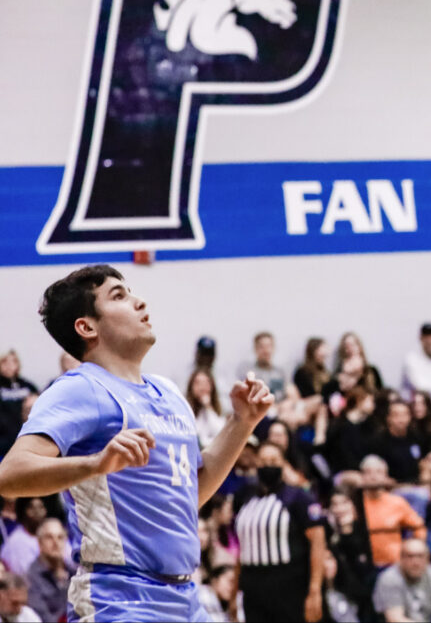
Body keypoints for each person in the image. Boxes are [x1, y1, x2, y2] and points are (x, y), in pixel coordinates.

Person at [0, 265, 272, 621]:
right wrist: (95, 464)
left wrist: (241, 422)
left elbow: (191, 495)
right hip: (120, 598)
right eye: (119, 296)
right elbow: (10, 473)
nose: (139, 302)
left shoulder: (170, 393)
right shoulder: (81, 388)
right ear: (87, 326)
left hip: (186, 598)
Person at [233, 442, 326, 622]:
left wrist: (315, 590)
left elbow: (318, 541)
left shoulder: (298, 497)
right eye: (263, 460)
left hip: (288, 584)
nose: (268, 465)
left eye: (274, 460)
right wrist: (234, 594)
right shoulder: (246, 497)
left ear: (283, 463)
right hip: (252, 587)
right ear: (256, 464)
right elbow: (242, 548)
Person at [358, 455, 426, 569]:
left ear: (386, 476)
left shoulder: (397, 502)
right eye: (368, 472)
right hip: (365, 566)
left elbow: (419, 527)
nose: (373, 476)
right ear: (362, 476)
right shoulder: (356, 504)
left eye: (378, 472)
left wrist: (413, 549)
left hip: (395, 564)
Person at [370, 538, 431, 623]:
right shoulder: (389, 578)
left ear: (428, 559)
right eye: (410, 556)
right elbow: (395, 619)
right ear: (401, 558)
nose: (415, 562)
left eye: (420, 556)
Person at [23, 517, 71, 623]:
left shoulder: (74, 573)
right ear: (40, 543)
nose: (56, 542)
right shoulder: (31, 577)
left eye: (60, 537)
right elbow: (42, 617)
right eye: (49, 537)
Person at [0, 353, 39, 460]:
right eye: (5, 362)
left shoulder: (27, 385)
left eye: (13, 361)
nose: (9, 365)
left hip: (24, 439)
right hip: (3, 441)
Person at [241, 332, 289, 402]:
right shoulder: (249, 374)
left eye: (269, 346)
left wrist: (286, 404)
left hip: (280, 409)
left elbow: (291, 394)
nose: (266, 351)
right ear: (255, 349)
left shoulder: (280, 372)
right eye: (262, 347)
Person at [188, 369, 228, 449]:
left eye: (206, 383)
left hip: (213, 450)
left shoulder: (219, 407)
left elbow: (220, 432)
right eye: (198, 383)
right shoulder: (186, 407)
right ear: (191, 387)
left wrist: (208, 406)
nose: (202, 387)